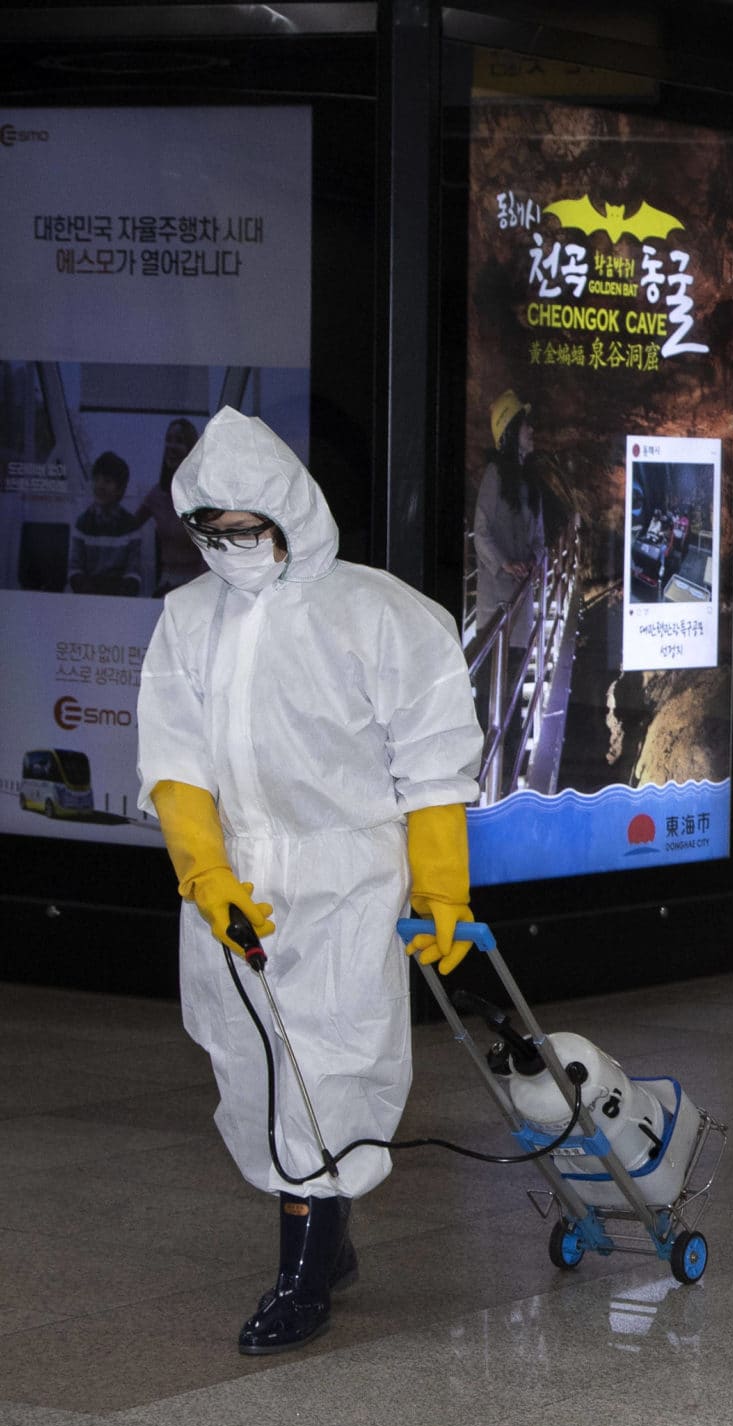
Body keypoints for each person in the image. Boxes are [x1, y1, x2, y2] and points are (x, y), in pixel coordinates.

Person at [137, 408, 483, 1354]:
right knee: (247, 1063)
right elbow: (173, 760)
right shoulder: (188, 618)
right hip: (236, 870)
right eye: (212, 533)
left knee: (327, 1066)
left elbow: (436, 766)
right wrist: (204, 870)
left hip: (344, 873)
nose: (230, 550)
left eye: (247, 530)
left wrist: (441, 889)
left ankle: (301, 1275)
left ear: (290, 513)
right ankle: (323, 1242)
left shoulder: (380, 614)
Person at [472, 391, 543, 636]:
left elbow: (539, 539)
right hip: (496, 611)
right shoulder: (495, 476)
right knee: (499, 671)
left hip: (521, 608)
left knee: (516, 670)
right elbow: (480, 533)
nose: (531, 430)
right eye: (525, 425)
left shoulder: (531, 482)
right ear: (511, 431)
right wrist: (506, 563)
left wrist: (533, 559)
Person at [66, 451, 150, 595]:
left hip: (119, 601)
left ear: (120, 489)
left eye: (107, 481)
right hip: (87, 599)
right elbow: (74, 568)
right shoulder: (82, 523)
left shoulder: (131, 526)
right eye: (97, 480)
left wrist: (117, 595)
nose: (100, 486)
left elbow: (133, 572)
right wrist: (87, 590)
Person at [136, 417, 203, 595]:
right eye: (168, 439)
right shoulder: (157, 495)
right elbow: (127, 527)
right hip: (166, 584)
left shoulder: (205, 496)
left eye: (179, 441)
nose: (171, 446)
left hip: (198, 586)